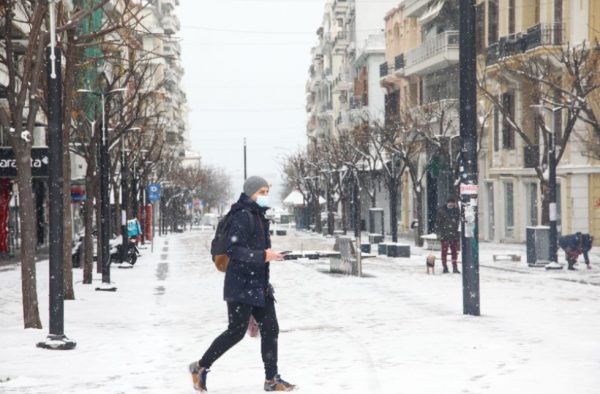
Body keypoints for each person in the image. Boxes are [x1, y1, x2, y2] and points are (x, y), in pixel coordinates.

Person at [189, 176, 296, 392]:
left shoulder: (257, 215)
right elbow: (234, 251)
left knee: (271, 328)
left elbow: (256, 251)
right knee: (236, 331)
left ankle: (271, 379)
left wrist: (270, 256)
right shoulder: (243, 215)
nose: (266, 196)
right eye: (262, 192)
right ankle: (200, 367)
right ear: (251, 193)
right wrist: (263, 256)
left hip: (259, 284)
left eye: (267, 192)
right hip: (241, 284)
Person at [435, 197, 461, 274]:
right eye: (449, 202)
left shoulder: (457, 211)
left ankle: (455, 267)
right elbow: (437, 223)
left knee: (454, 252)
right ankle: (445, 267)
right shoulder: (441, 211)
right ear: (447, 203)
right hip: (445, 235)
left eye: (452, 202)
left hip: (454, 235)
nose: (451, 204)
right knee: (444, 252)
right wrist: (439, 234)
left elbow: (459, 221)